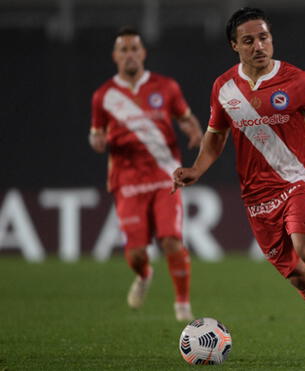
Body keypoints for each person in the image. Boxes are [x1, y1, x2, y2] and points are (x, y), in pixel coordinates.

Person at [172, 7, 305, 360]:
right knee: (301, 277)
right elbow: (215, 136)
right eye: (249, 40)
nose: (259, 45)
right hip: (257, 196)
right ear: (234, 45)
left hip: (301, 180)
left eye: (264, 37)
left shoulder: (298, 81)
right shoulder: (224, 88)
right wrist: (197, 169)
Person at [89, 27, 203, 321]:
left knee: (171, 242)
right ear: (115, 56)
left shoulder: (166, 87)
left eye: (134, 48)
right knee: (138, 253)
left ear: (143, 53)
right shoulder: (104, 95)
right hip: (127, 181)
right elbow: (96, 134)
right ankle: (144, 275)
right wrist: (97, 141)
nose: (129, 54)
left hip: (165, 175)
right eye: (123, 49)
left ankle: (182, 305)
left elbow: (186, 117)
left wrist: (193, 129)